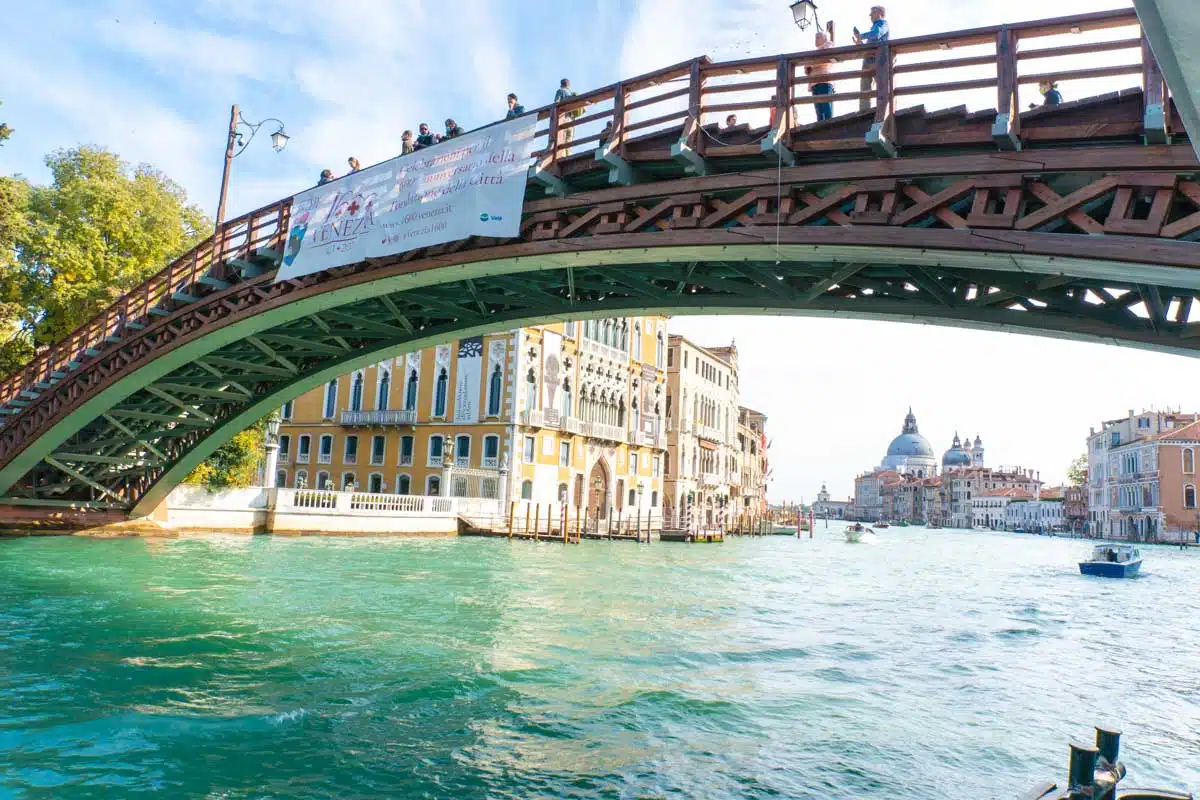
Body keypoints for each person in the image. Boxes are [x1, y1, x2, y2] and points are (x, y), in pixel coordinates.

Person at [852, 6, 889, 111]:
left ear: (880, 12)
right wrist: (860, 42)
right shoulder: (874, 27)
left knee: (880, 86)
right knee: (865, 87)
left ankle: (882, 109)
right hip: (869, 59)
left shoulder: (883, 24)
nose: (870, 15)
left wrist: (861, 36)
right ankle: (864, 111)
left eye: (873, 12)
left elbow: (876, 34)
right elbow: (873, 38)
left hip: (878, 60)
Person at [807, 22, 837, 122]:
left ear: (824, 39)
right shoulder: (815, 51)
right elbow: (807, 67)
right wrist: (810, 65)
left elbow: (822, 59)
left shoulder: (828, 46)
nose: (815, 40)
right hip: (815, 83)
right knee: (819, 110)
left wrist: (810, 64)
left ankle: (829, 128)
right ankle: (821, 127)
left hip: (825, 81)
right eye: (815, 38)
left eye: (818, 37)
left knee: (826, 108)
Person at [554, 78, 580, 153]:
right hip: (571, 119)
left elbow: (556, 103)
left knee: (562, 137)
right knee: (569, 139)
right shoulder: (572, 93)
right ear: (569, 85)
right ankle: (568, 154)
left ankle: (562, 155)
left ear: (561, 84)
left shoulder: (560, 91)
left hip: (563, 117)